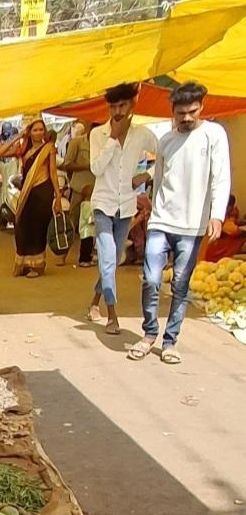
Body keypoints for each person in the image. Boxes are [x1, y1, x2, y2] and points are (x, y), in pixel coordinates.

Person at [129, 81, 230, 364]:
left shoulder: (215, 135)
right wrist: (150, 211)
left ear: (202, 108)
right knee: (150, 279)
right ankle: (149, 333)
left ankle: (170, 341)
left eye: (192, 111)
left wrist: (217, 215)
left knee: (180, 285)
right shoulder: (166, 142)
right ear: (172, 112)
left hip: (192, 226)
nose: (187, 118)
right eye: (181, 113)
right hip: (161, 220)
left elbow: (220, 178)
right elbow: (159, 179)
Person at [87, 84, 158, 334]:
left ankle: (94, 302)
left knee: (113, 260)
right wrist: (113, 139)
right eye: (113, 106)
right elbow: (95, 169)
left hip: (126, 205)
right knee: (107, 257)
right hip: (103, 204)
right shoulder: (98, 134)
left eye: (122, 106)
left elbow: (165, 156)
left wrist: (146, 176)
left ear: (132, 105)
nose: (117, 111)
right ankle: (112, 315)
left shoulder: (143, 134)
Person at [0, 119, 62, 277]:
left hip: (43, 191)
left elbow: (53, 172)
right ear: (30, 131)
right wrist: (19, 135)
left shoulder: (49, 148)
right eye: (35, 130)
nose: (39, 133)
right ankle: (23, 263)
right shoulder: (23, 147)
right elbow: (0, 153)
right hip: (27, 193)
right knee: (21, 225)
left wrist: (58, 196)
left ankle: (36, 266)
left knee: (38, 227)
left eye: (41, 130)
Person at [59, 121, 95, 240]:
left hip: (96, 188)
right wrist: (86, 166)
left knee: (91, 219)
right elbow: (67, 165)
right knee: (73, 216)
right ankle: (66, 241)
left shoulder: (104, 144)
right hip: (79, 186)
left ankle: (86, 247)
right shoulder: (77, 142)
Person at [202, 193, 246, 261]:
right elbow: (234, 230)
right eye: (231, 206)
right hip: (218, 255)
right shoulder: (219, 217)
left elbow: (233, 223)